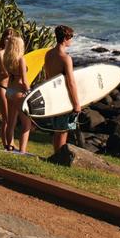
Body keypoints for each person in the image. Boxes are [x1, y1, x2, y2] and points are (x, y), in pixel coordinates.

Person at [41, 25, 81, 153]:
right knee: (63, 131)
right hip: (64, 97)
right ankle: (59, 157)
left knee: (57, 130)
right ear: (65, 38)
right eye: (71, 37)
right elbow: (71, 83)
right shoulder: (65, 58)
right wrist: (76, 104)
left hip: (53, 95)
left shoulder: (48, 54)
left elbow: (47, 77)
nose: (72, 40)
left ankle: (56, 154)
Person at [3, 34, 35, 153]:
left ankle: (9, 147)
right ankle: (22, 151)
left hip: (9, 91)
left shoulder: (7, 58)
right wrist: (30, 93)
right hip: (19, 93)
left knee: (11, 122)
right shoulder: (21, 59)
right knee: (27, 124)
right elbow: (24, 81)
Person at [0, 28, 16, 150]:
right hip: (1, 87)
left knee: (11, 118)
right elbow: (5, 72)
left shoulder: (14, 54)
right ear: (3, 39)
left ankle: (11, 142)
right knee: (6, 118)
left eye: (11, 39)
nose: (9, 40)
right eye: (7, 38)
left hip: (11, 88)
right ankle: (7, 144)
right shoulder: (0, 53)